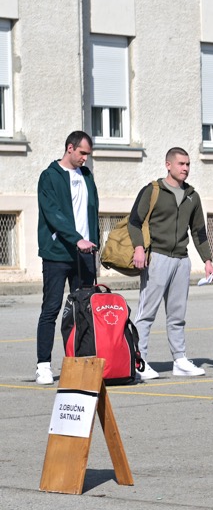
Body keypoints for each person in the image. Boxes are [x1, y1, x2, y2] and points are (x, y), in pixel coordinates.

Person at [127, 147, 213, 379]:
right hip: (156, 257)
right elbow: (134, 222)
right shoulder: (153, 190)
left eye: (188, 164)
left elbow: (199, 231)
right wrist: (139, 247)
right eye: (181, 164)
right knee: (146, 313)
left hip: (181, 260)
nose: (185, 168)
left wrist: (207, 259)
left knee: (177, 315)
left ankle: (180, 360)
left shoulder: (192, 196)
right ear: (168, 165)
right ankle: (139, 361)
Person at [35, 132, 100, 385]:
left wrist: (93, 245)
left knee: (83, 311)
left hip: (84, 254)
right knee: (51, 308)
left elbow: (92, 213)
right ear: (70, 148)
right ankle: (43, 365)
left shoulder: (87, 176)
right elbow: (53, 214)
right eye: (82, 153)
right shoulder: (49, 176)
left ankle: (80, 363)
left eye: (88, 155)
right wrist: (76, 239)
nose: (85, 158)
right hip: (58, 253)